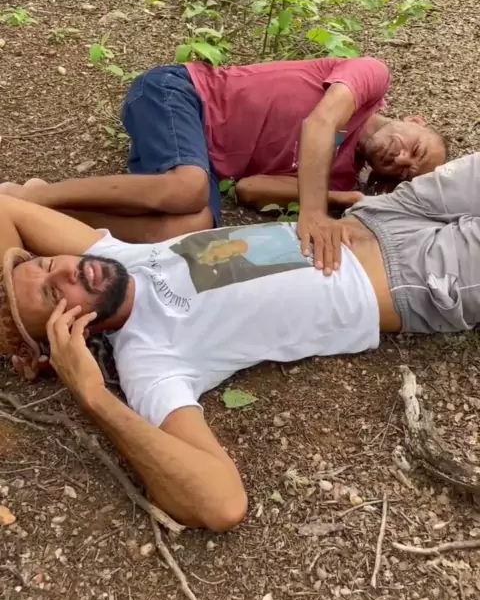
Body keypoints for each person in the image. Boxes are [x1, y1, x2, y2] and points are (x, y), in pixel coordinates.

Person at [0, 152, 478, 532]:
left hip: (381, 214)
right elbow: (222, 503)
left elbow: (6, 208)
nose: (65, 271)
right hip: (419, 277)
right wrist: (91, 394)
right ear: (71, 333)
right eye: (51, 294)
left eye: (45, 263)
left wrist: (10, 324)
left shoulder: (115, 257)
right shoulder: (150, 361)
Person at [0, 57, 447, 276]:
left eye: (406, 172)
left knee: (191, 226)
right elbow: (320, 122)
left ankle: (37, 213)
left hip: (198, 161)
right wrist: (313, 212)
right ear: (415, 121)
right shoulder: (370, 78)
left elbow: (250, 189)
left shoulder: (338, 176)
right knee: (189, 188)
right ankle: (31, 196)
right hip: (181, 94)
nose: (402, 159)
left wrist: (339, 196)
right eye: (416, 149)